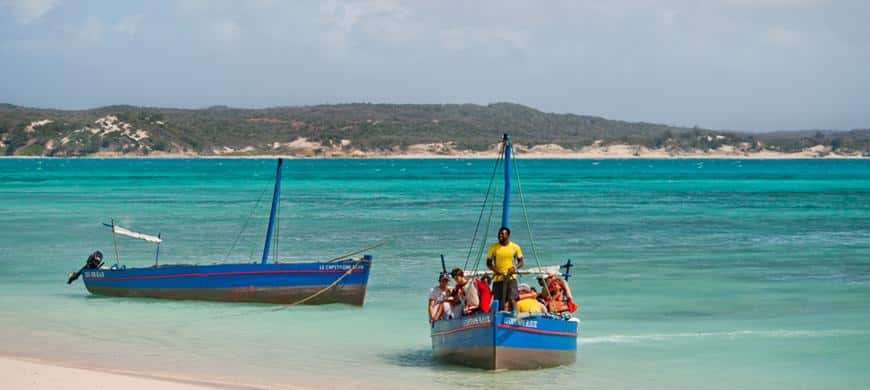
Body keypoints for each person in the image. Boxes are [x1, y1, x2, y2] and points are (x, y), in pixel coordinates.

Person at [486, 227, 524, 312]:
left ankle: (515, 316)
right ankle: (498, 318)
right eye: (499, 233)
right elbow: (488, 264)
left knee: (512, 298)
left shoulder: (515, 247)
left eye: (502, 234)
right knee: (499, 301)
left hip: (511, 277)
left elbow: (521, 262)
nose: (500, 235)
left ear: (508, 235)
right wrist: (496, 270)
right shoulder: (493, 247)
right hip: (498, 278)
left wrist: (514, 267)